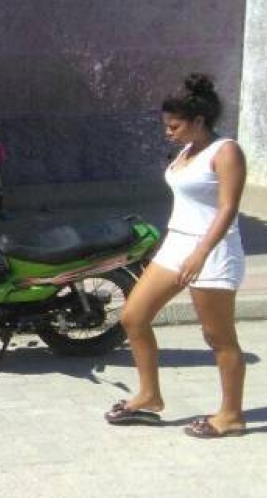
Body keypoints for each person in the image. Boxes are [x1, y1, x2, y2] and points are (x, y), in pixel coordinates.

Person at [106, 74, 248, 439]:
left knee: (218, 338)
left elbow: (228, 208)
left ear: (198, 121)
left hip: (213, 251)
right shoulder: (187, 151)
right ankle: (150, 396)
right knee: (133, 317)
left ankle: (231, 415)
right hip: (176, 245)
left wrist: (201, 253)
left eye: (174, 125)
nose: (168, 132)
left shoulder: (226, 151)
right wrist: (164, 246)